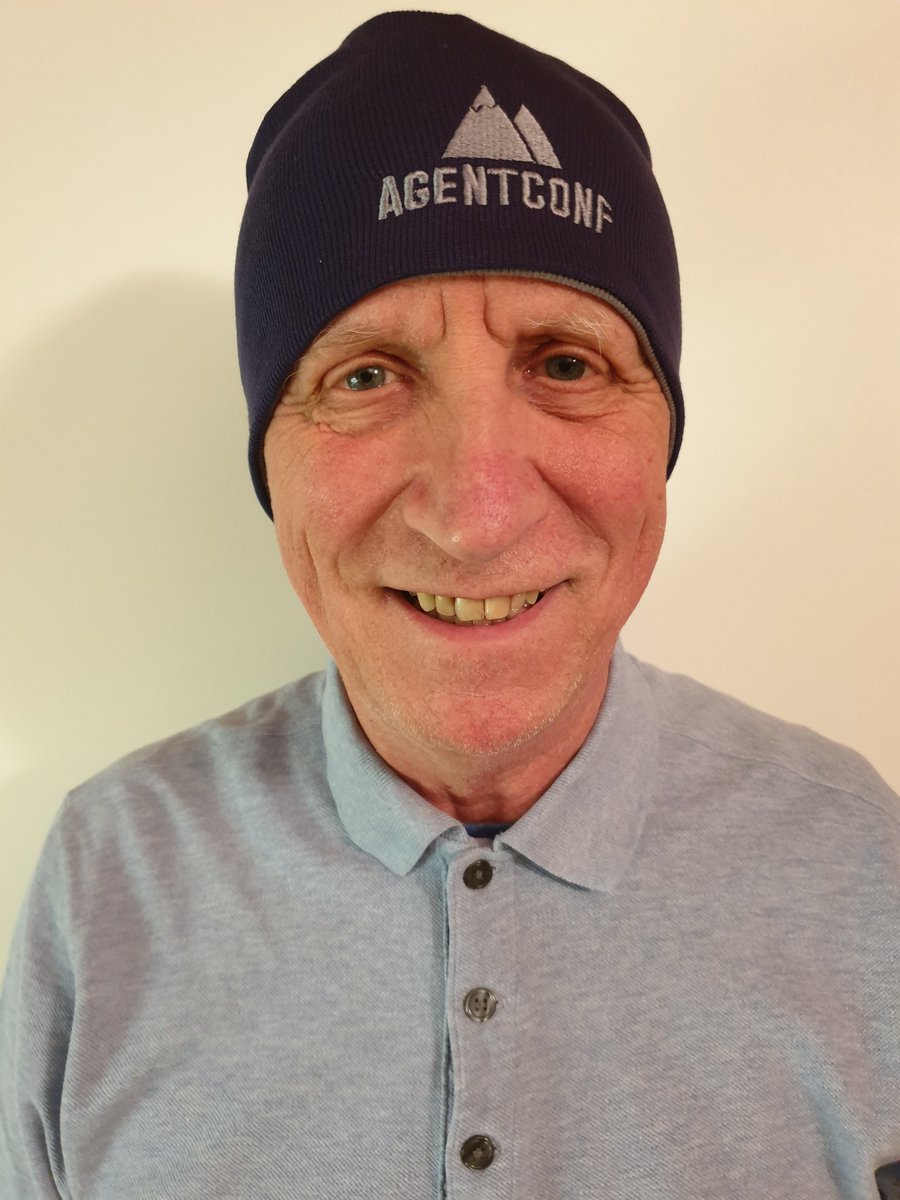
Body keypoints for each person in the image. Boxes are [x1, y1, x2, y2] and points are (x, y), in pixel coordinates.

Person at [1, 11, 898, 1198]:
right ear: (269, 459)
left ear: (662, 440)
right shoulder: (112, 878)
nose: (476, 516)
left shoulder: (859, 865)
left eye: (566, 364)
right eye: (366, 376)